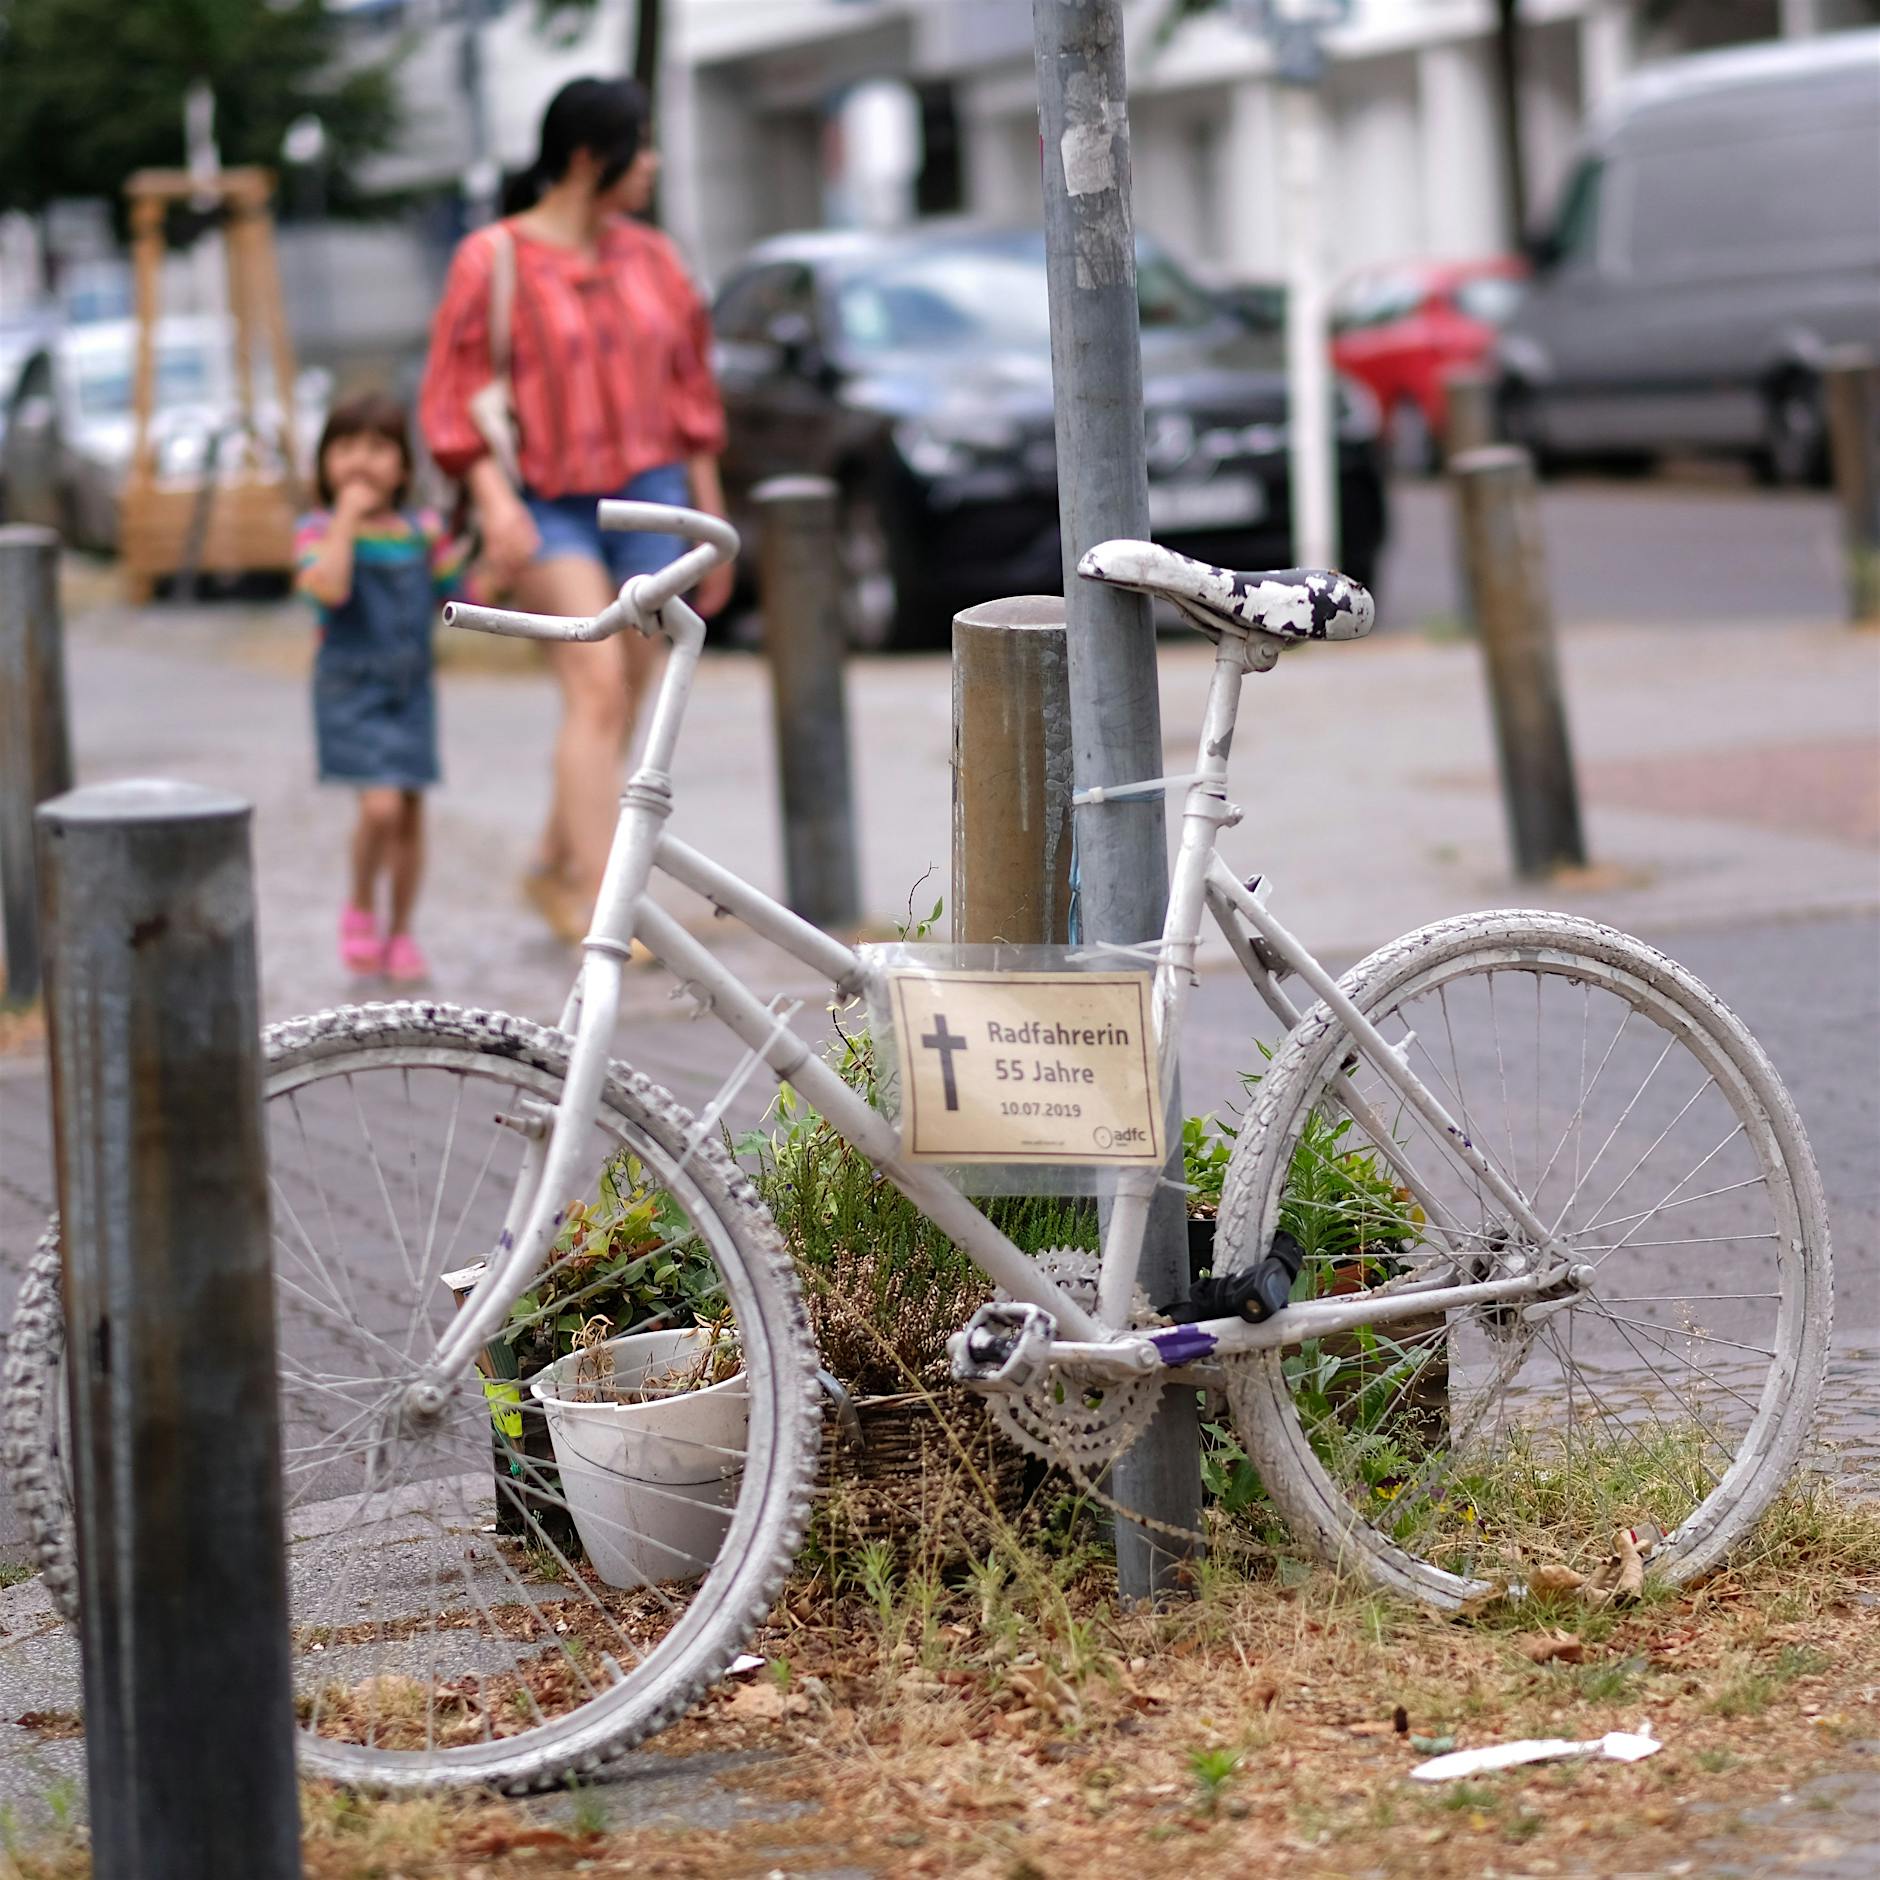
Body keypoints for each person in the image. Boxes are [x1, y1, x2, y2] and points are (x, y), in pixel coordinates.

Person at [419, 75, 732, 942]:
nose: (655, 162)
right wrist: (495, 503)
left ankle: (550, 861)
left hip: (655, 495)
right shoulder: (494, 258)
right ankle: (606, 906)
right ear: (590, 156)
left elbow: (691, 395)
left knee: (628, 689)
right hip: (548, 502)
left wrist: (716, 521)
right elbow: (453, 399)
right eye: (641, 143)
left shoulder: (654, 257)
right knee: (595, 682)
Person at [297, 391, 477, 984]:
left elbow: (459, 594)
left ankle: (401, 931)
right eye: (345, 447)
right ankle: (359, 905)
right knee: (379, 807)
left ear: (403, 466)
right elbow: (328, 588)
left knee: (410, 815)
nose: (360, 461)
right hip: (350, 691)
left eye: (378, 448)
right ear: (323, 461)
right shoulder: (316, 532)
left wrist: (490, 565)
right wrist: (346, 517)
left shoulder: (422, 532)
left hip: (411, 690)